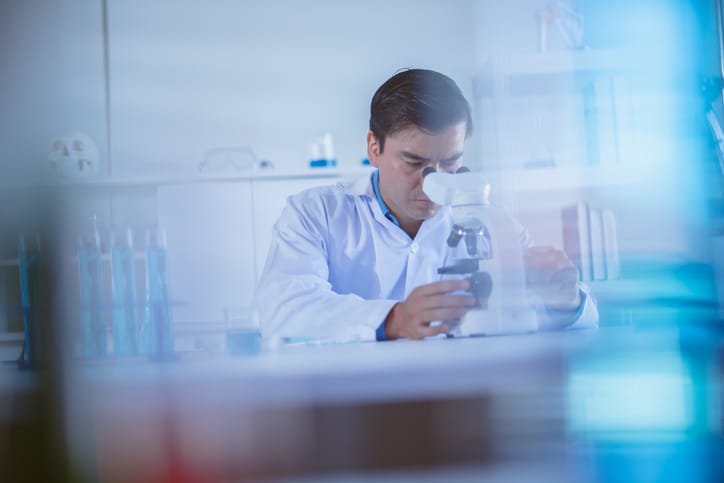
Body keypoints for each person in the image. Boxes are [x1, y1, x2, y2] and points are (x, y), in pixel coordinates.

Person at [255, 69, 598, 342]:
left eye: (450, 162)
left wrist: (566, 300)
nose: (432, 182)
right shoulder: (317, 213)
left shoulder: (486, 219)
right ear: (374, 147)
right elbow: (281, 309)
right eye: (413, 162)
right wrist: (394, 319)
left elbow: (582, 319)